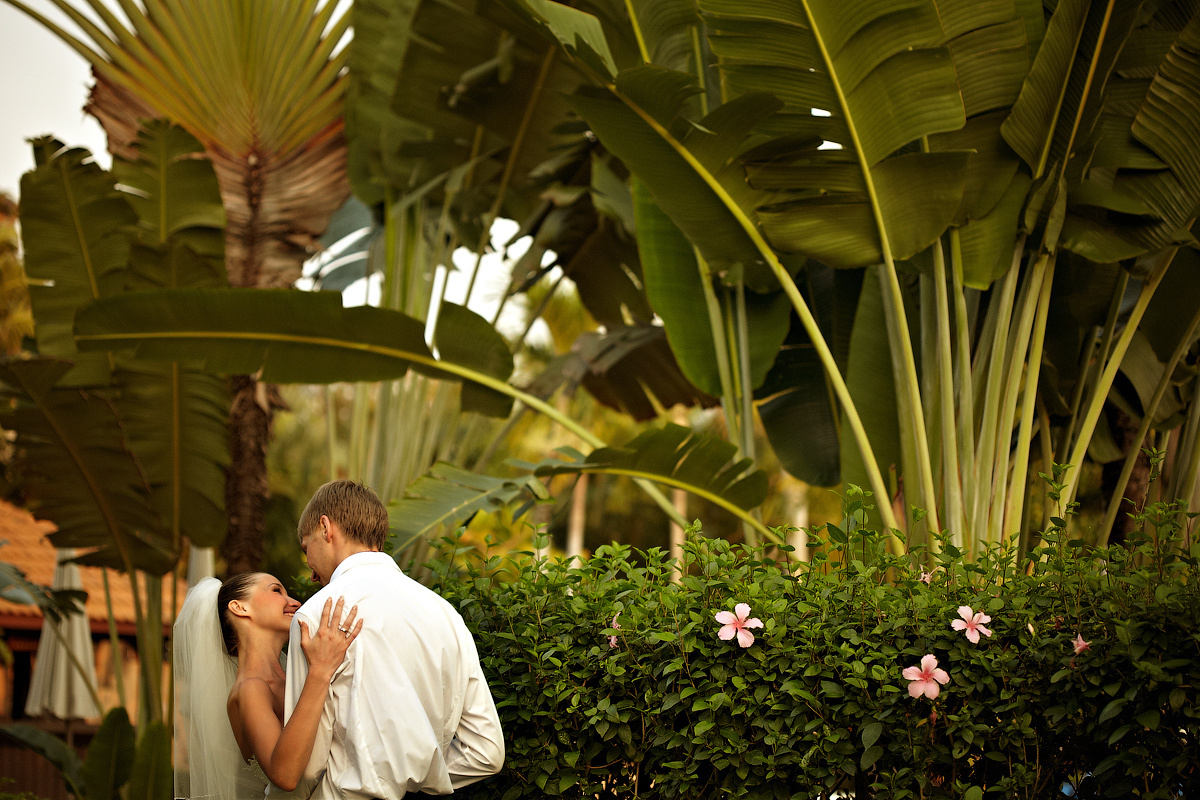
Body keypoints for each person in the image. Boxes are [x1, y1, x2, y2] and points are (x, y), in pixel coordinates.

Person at [278, 479, 504, 799]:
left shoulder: (317, 617)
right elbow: (487, 752)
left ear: (325, 528)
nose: (312, 573)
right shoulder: (446, 614)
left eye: (306, 549)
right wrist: (419, 776)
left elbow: (304, 767)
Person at [173, 574, 362, 800]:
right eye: (276, 590)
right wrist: (320, 671)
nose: (295, 602)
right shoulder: (250, 688)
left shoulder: (297, 675)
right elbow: (285, 776)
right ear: (240, 607)